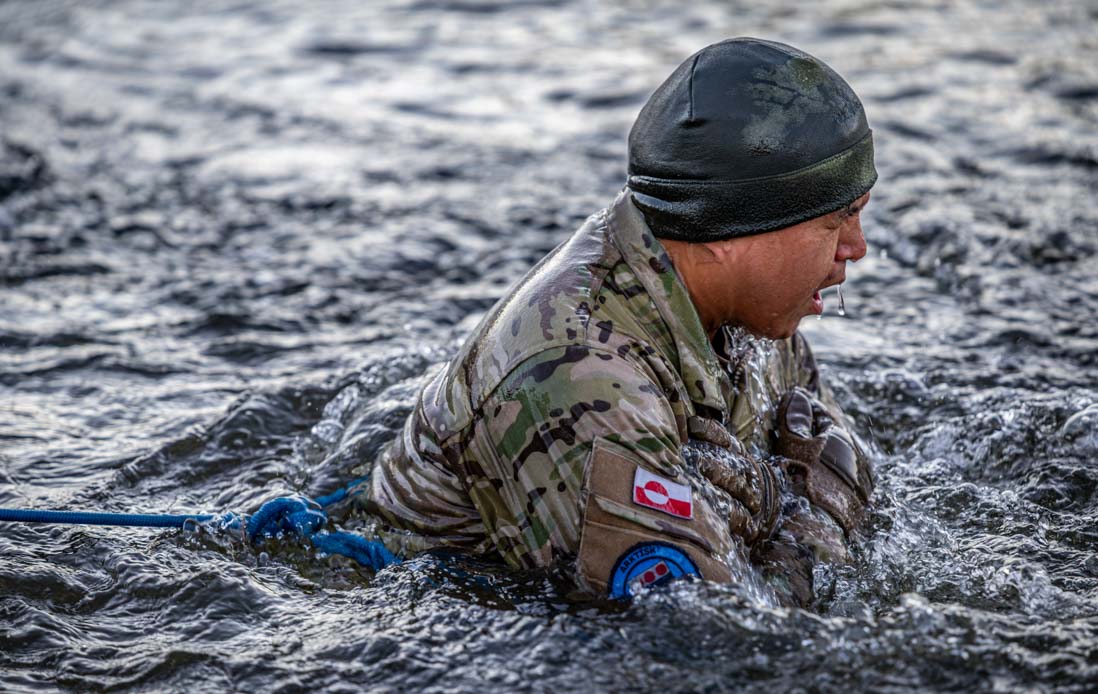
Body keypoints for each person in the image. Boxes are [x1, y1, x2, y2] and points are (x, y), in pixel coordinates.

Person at [351, 37, 877, 605]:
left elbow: (819, 456)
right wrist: (818, 522)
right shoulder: (578, 375)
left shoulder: (755, 319)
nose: (857, 247)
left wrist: (777, 502)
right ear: (734, 229)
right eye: (836, 221)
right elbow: (702, 640)